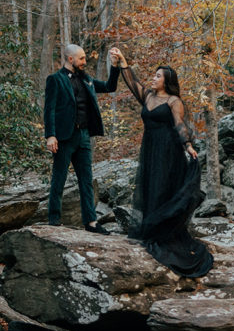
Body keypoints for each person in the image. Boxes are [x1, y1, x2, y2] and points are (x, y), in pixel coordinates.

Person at [110, 48, 213, 277]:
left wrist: (187, 145)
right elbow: (132, 82)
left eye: (158, 76)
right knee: (149, 188)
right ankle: (150, 230)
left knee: (163, 189)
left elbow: (179, 125)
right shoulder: (147, 96)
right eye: (154, 75)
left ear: (167, 81)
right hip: (150, 150)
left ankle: (163, 232)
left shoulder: (174, 101)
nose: (153, 78)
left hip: (168, 151)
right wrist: (123, 62)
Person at [44, 44, 120, 233]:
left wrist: (115, 65)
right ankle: (54, 219)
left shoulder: (87, 80)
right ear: (71, 59)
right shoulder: (55, 79)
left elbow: (110, 86)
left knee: (86, 180)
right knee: (59, 178)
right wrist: (51, 135)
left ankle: (91, 222)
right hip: (64, 137)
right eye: (82, 59)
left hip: (84, 136)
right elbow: (49, 109)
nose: (85, 62)